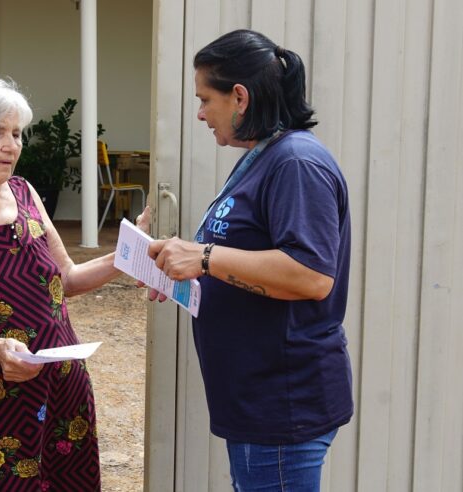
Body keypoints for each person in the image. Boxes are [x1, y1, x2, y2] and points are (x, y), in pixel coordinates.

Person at [147, 29, 353, 491]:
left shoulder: (296, 162)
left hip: (282, 402)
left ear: (239, 96)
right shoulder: (263, 157)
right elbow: (236, 259)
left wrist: (201, 256)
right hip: (254, 400)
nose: (200, 113)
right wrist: (181, 270)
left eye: (205, 99)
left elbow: (312, 275)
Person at [0, 78, 148, 491]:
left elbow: (65, 278)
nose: (11, 145)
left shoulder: (24, 192)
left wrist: (131, 252)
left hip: (63, 386)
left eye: (15, 133)